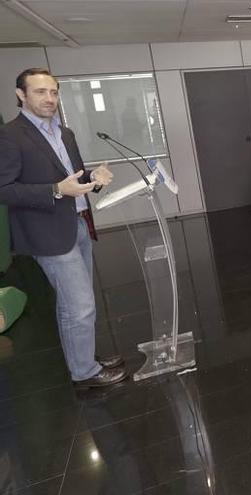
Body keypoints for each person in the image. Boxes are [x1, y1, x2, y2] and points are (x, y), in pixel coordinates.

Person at [0, 68, 125, 388]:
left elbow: (76, 181)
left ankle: (84, 359)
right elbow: (4, 189)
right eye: (40, 92)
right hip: (47, 234)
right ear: (21, 95)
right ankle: (84, 374)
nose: (50, 98)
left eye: (53, 92)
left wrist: (94, 182)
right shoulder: (11, 136)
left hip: (77, 225)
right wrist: (55, 191)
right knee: (80, 305)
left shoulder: (64, 133)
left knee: (76, 304)